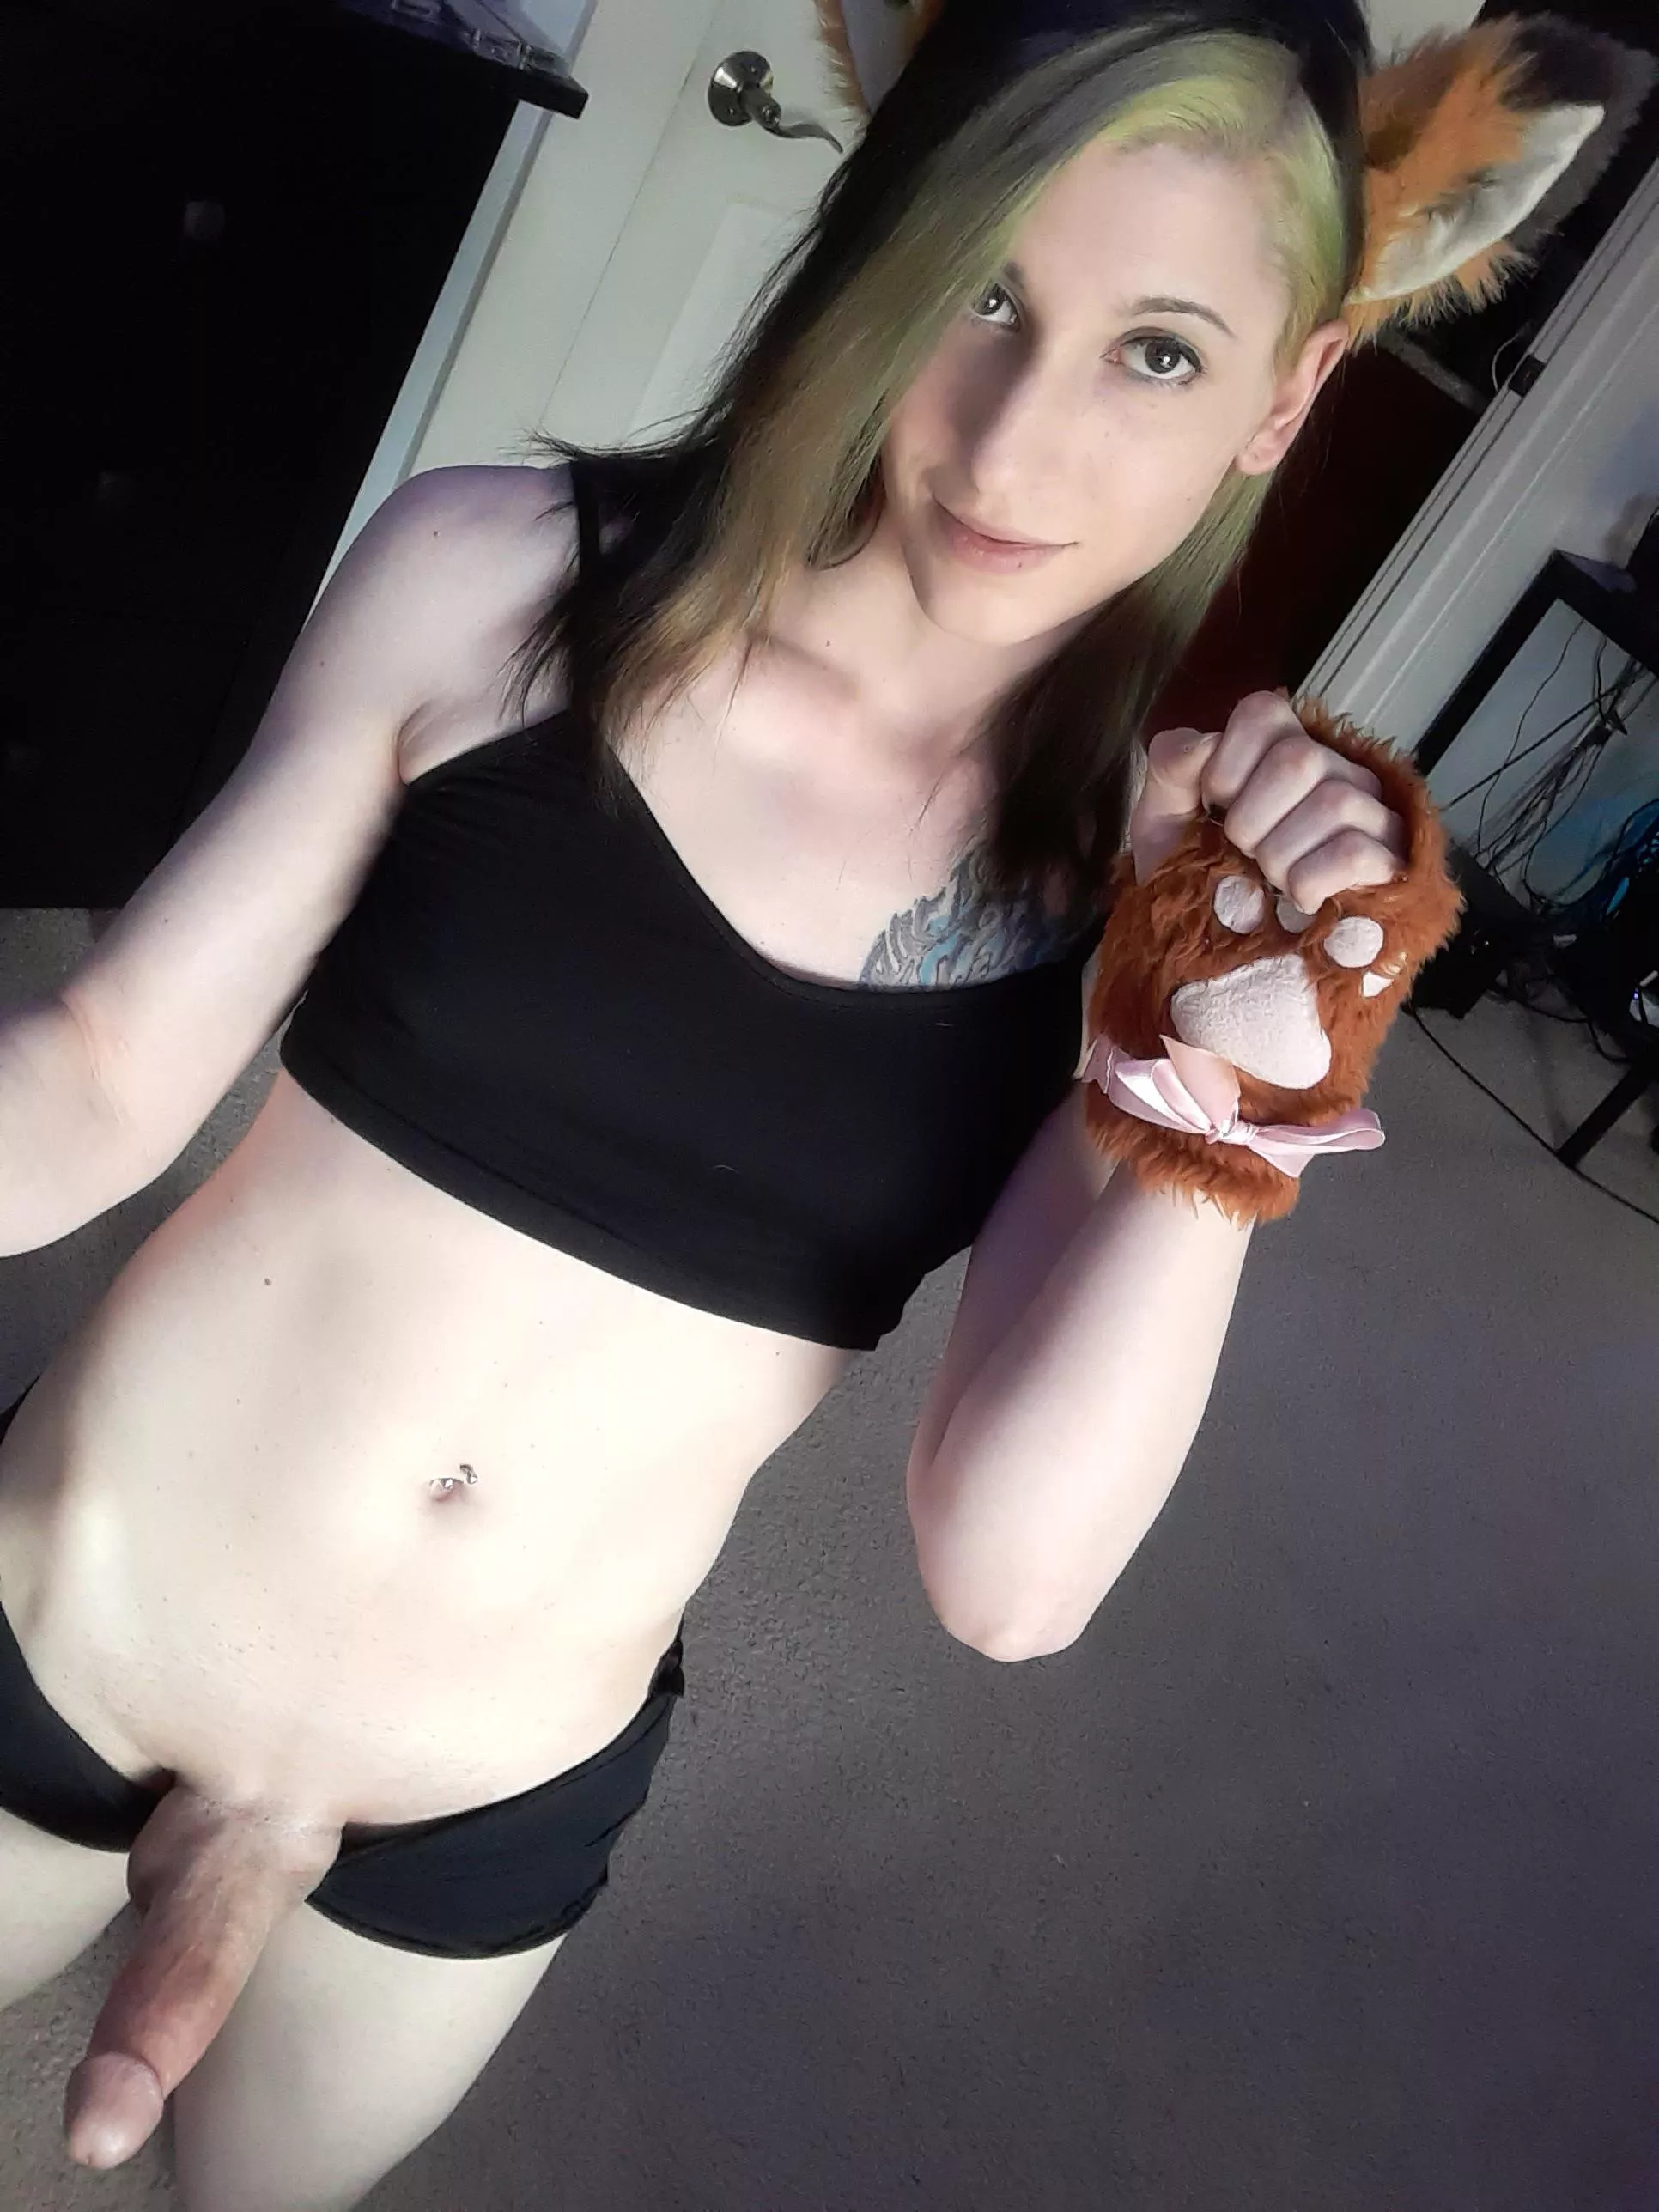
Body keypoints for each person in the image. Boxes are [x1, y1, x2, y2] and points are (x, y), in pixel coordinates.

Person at [0, 0, 1600, 2203]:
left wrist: (1231, 1082)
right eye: (977, 294)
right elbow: (98, 1075)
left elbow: (1008, 1576)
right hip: (73, 1600)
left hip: (484, 1787)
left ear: (1287, 390)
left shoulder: (1136, 913)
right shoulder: (501, 580)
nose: (1013, 447)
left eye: (1156, 351)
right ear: (867, 246)